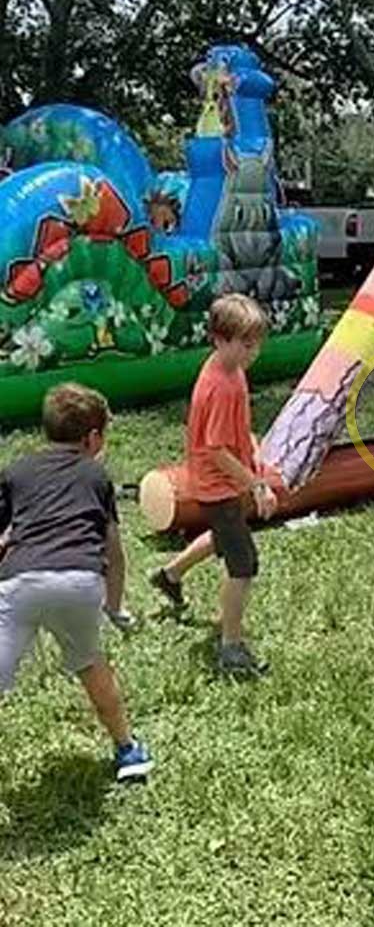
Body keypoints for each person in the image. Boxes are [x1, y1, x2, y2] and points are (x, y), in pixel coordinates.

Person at [0, 383, 153, 782]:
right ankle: (127, 750)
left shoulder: (16, 471)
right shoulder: (95, 475)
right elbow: (113, 551)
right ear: (93, 439)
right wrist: (115, 607)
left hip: (19, 581)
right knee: (89, 664)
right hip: (78, 581)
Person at [149, 294, 277, 677]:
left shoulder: (229, 368)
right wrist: (255, 484)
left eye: (257, 343)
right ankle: (231, 648)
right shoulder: (221, 383)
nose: (253, 352)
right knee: (243, 565)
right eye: (245, 343)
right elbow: (217, 449)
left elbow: (231, 434)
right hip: (216, 483)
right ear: (219, 340)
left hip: (220, 481)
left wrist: (252, 446)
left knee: (224, 534)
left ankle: (169, 575)